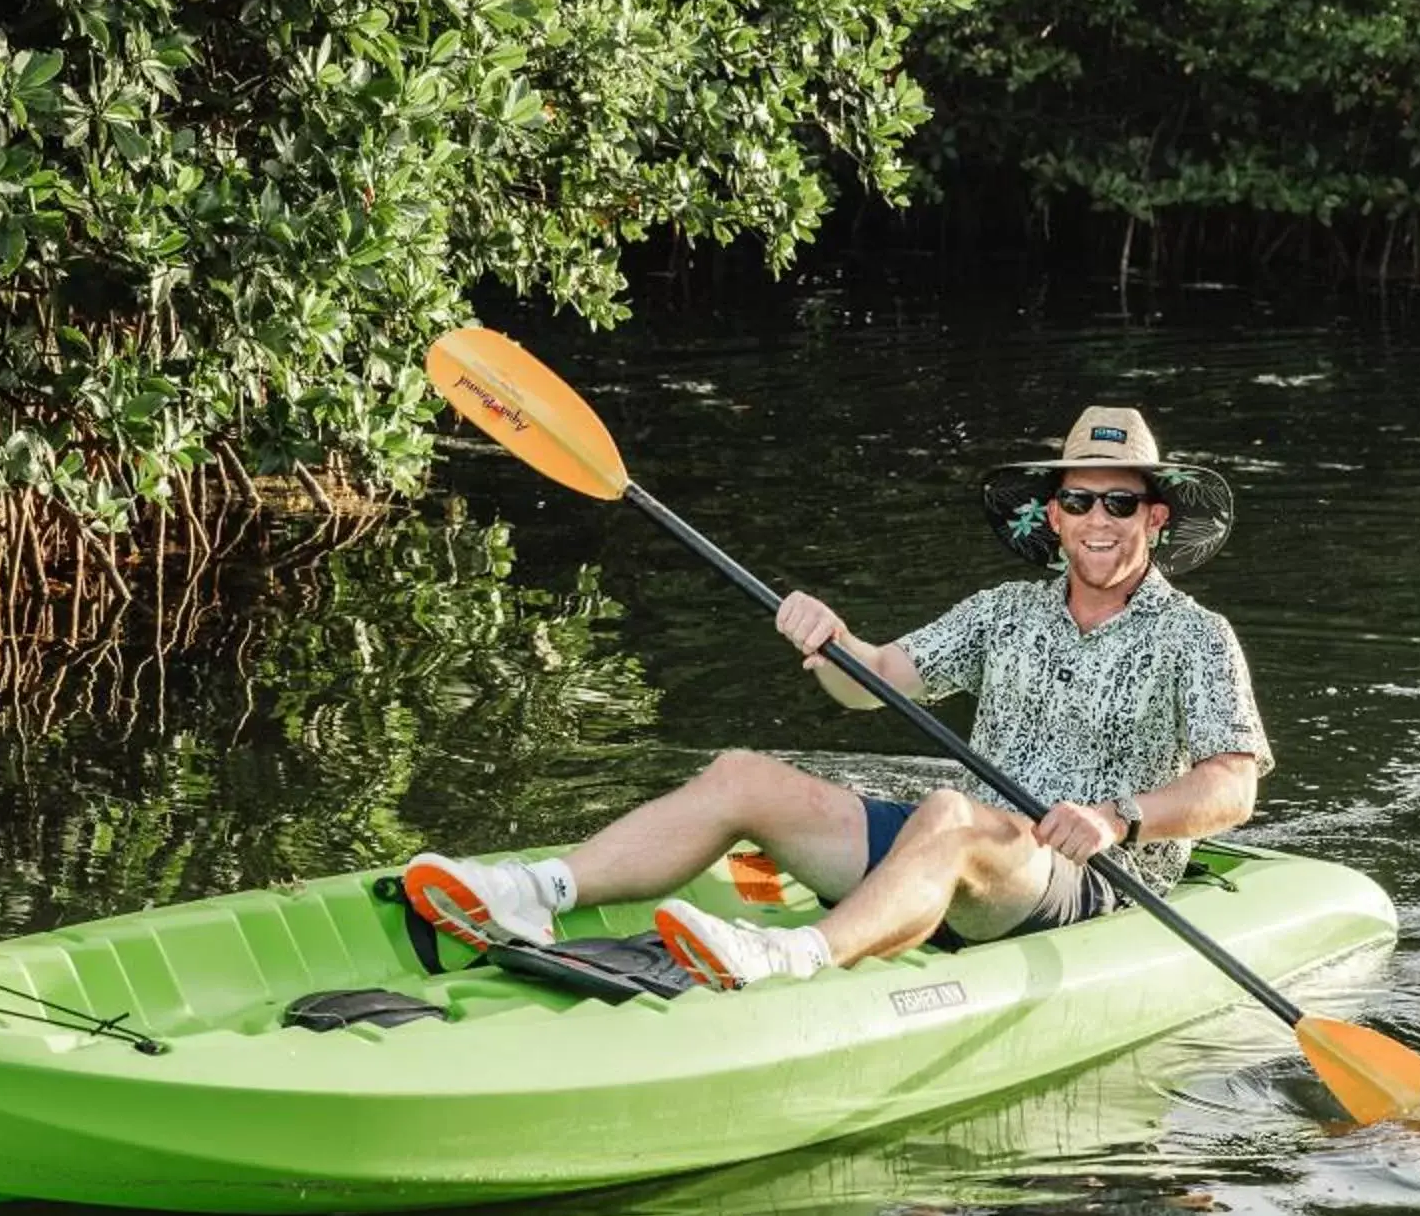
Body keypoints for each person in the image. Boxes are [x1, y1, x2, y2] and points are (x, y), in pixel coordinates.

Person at [403, 403, 1271, 990]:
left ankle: (794, 958)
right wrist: (832, 643)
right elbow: (881, 681)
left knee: (947, 812)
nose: (1099, 519)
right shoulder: (1005, 610)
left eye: (1121, 501)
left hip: (1086, 876)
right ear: (1053, 515)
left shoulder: (1196, 634)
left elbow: (1234, 784)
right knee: (743, 773)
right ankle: (536, 891)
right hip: (963, 846)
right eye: (1080, 499)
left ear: (1156, 517)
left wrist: (1117, 816)